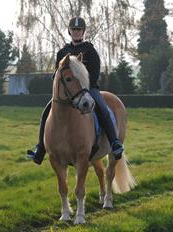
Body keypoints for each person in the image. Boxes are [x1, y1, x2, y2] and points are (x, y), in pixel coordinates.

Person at [27, 16, 124, 165]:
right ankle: (40, 148)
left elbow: (95, 73)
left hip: (88, 89)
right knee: (47, 111)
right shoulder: (62, 52)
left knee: (102, 108)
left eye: (79, 29)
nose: (76, 32)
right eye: (74, 29)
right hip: (66, 92)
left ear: (83, 31)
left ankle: (115, 143)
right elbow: (56, 74)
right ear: (69, 31)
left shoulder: (90, 51)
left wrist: (83, 88)